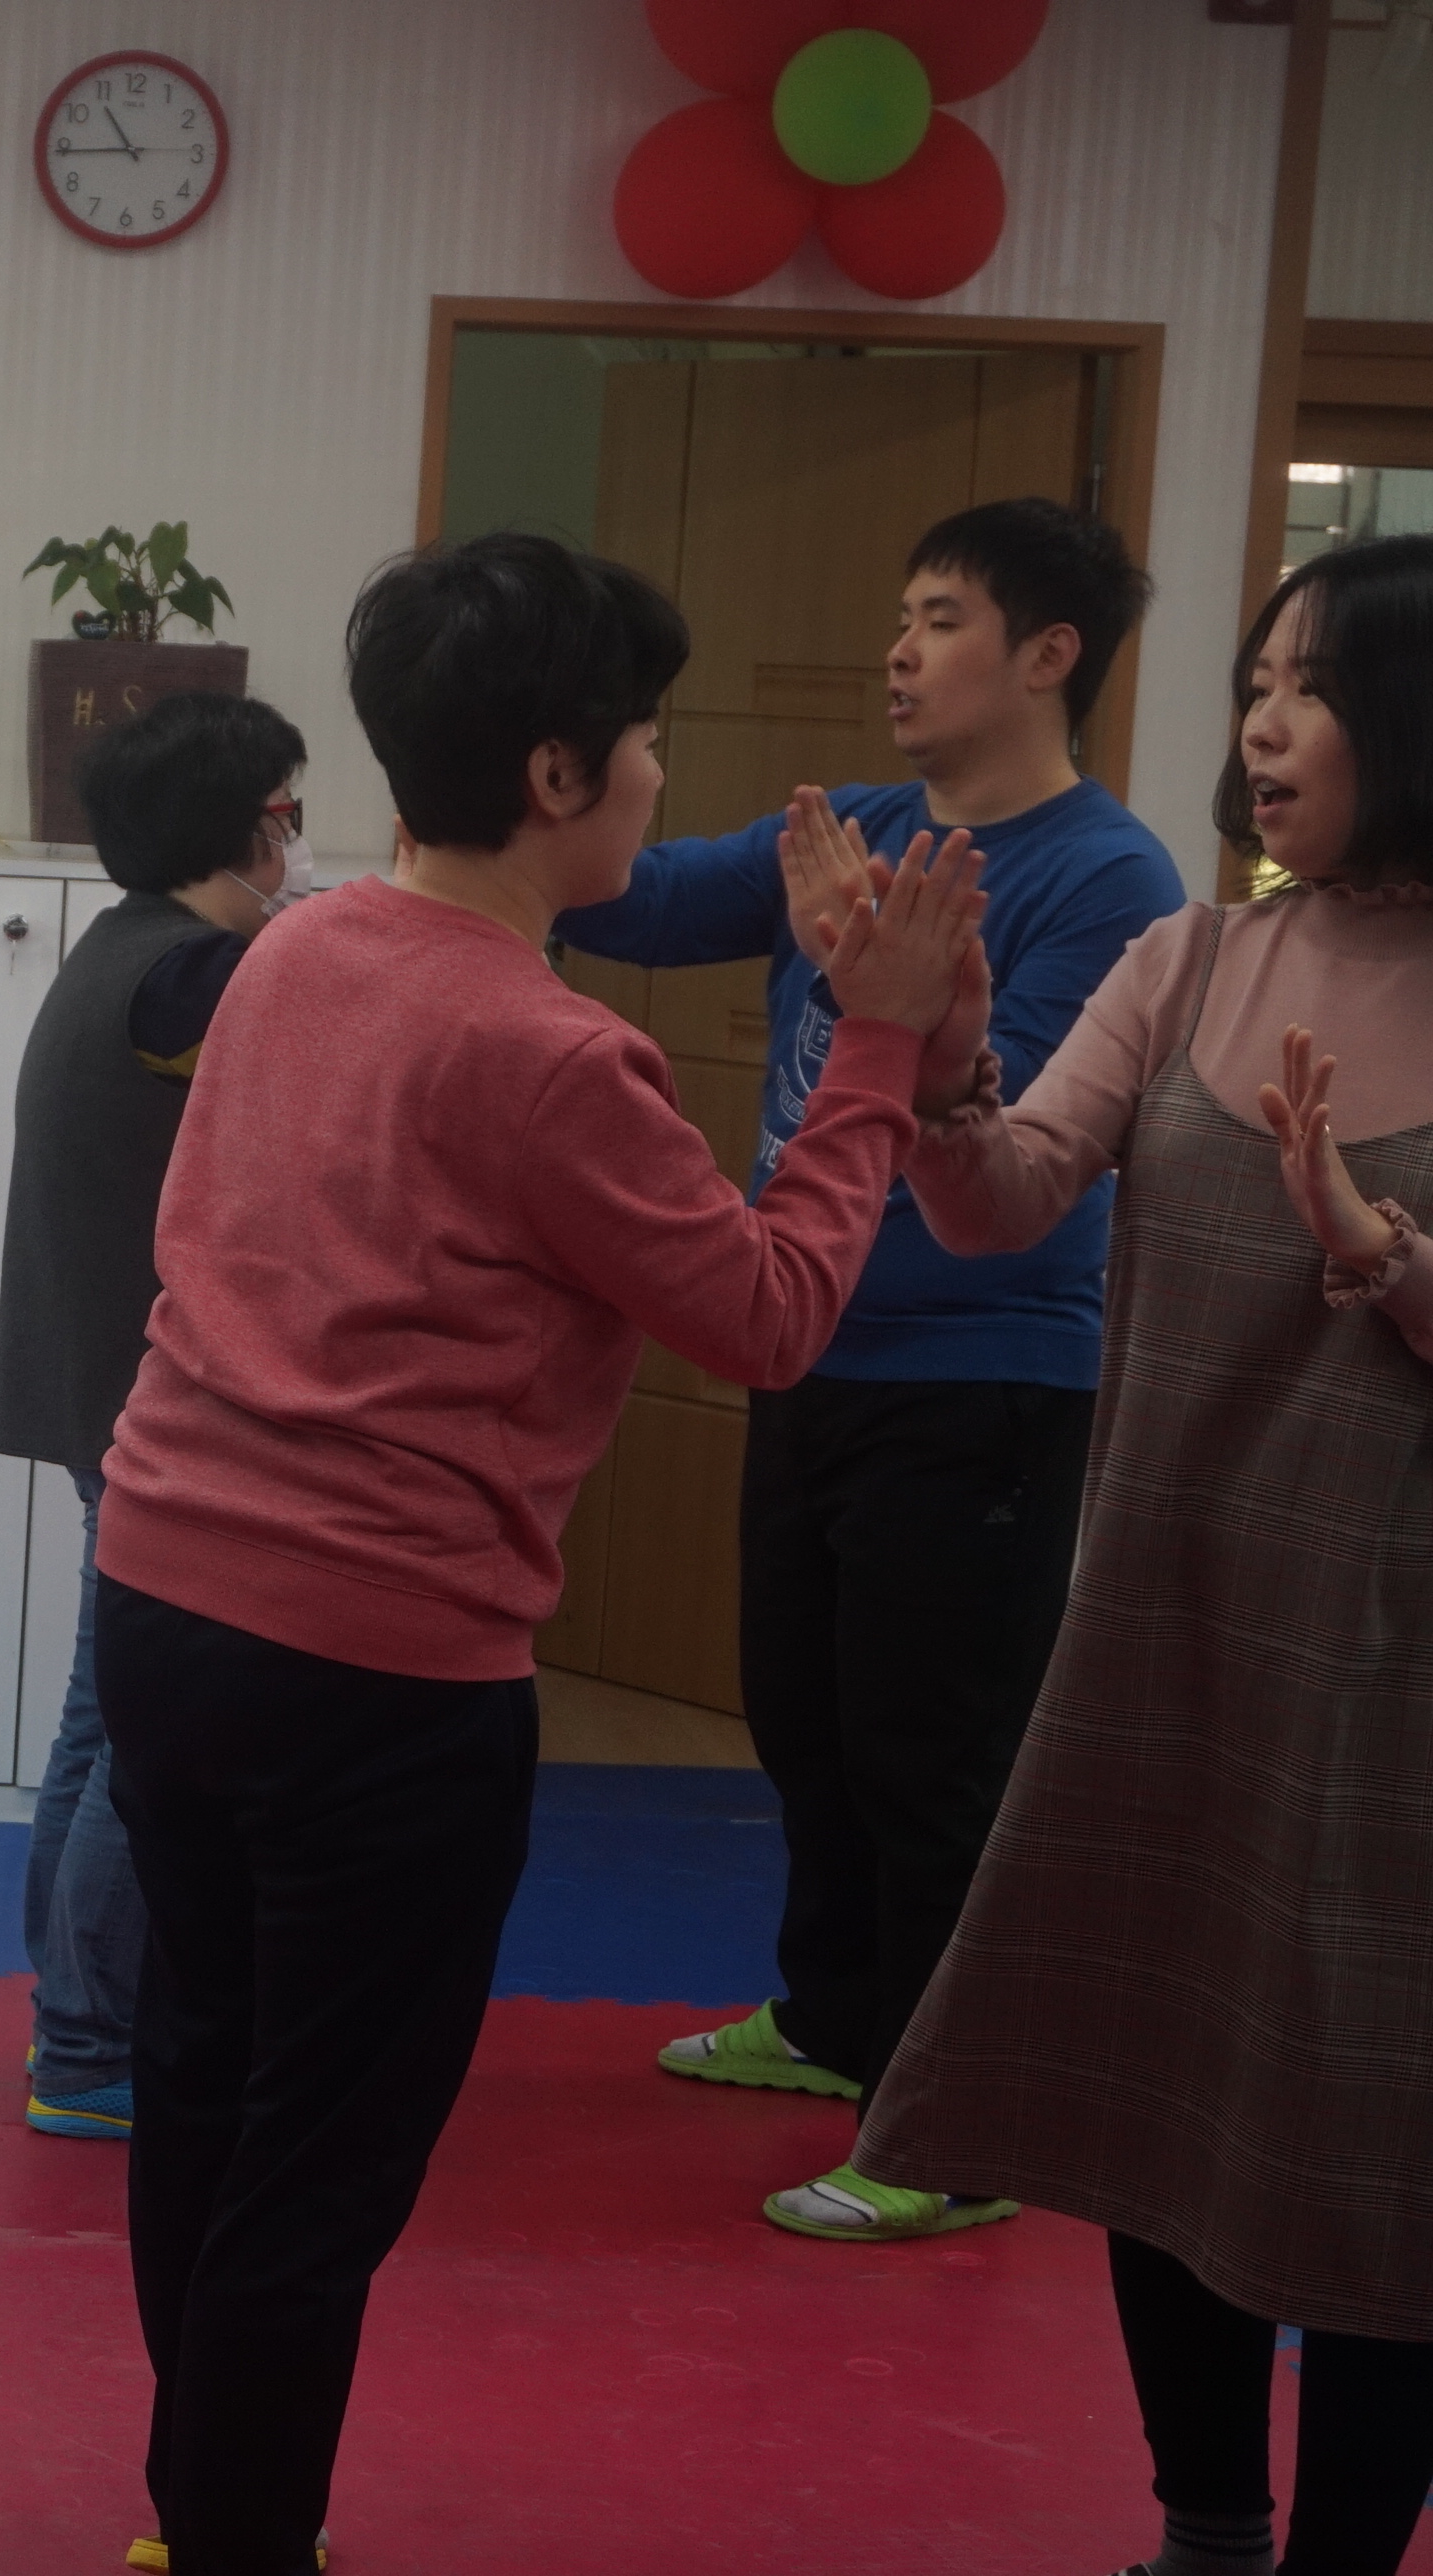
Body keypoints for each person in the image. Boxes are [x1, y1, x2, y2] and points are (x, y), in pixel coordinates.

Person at [96, 531, 985, 2576]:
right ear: (561, 775)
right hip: (373, 1668)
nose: (665, 777)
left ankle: (194, 2512)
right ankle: (236, 2540)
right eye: (646, 741)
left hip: (164, 1597)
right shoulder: (554, 1053)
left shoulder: (292, 948)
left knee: (204, 2080)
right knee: (317, 2159)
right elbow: (770, 1315)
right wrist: (872, 1041)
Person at [859, 534, 1433, 2576]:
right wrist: (940, 1068)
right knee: (1149, 2082)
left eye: (1316, 686)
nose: (1264, 724)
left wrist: (1385, 1258)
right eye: (1258, 681)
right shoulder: (1191, 957)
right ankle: (1206, 2534)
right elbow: (1004, 1199)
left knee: (1372, 2133)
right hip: (1165, 1623)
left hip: (1389, 1671)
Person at [558, 498, 1186, 2242]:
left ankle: (954, 2121)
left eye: (942, 619)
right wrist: (513, 813)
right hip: (813, 1342)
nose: (900, 652)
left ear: (1048, 655)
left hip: (982, 1373)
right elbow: (638, 896)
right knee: (807, 1716)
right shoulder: (859, 827)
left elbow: (1020, 1126)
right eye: (901, 617)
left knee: (934, 1754)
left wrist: (886, 986)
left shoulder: (1109, 877)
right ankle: (833, 2018)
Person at [0, 687, 309, 2141]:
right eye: (287, 812)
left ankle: (73, 2018)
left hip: (95, 1393)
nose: (297, 839)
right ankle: (89, 2042)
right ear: (244, 827)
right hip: (152, 1411)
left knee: (98, 1715)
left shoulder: (119, 948)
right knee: (141, 1736)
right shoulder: (192, 976)